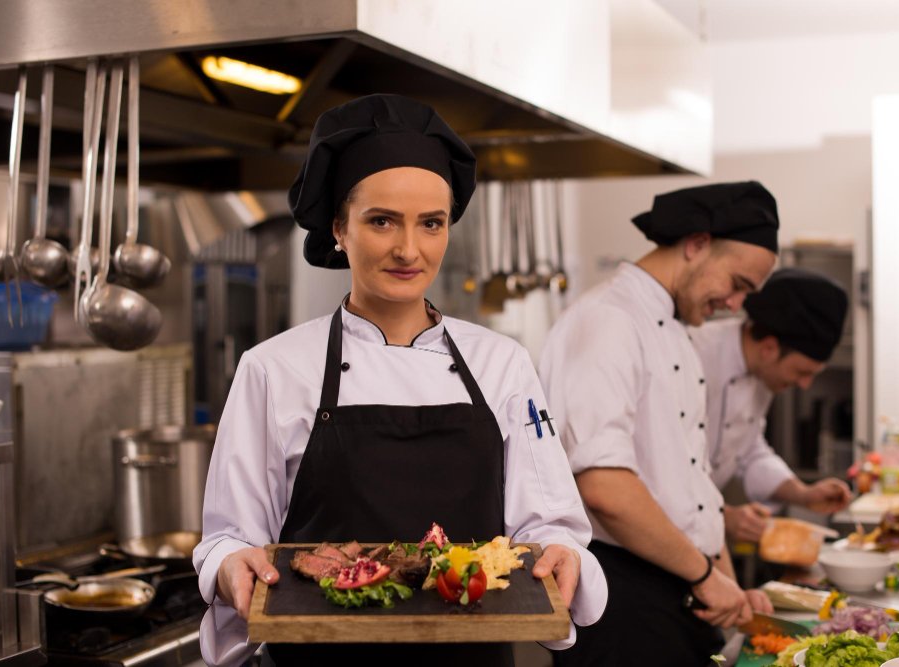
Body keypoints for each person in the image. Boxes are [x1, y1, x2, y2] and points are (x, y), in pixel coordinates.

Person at [192, 94, 606, 666]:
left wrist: (563, 555)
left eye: (431, 223)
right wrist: (230, 566)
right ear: (339, 228)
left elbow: (550, 524)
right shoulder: (272, 367)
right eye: (381, 221)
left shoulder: (502, 364)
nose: (409, 249)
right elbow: (229, 536)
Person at [539, 182, 780, 666]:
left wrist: (725, 580)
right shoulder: (609, 321)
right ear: (696, 244)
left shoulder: (673, 327)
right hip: (623, 595)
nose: (736, 305)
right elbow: (603, 485)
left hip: (677, 585)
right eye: (737, 284)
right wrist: (705, 576)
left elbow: (689, 480)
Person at [689, 267, 853, 544]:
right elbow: (662, 468)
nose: (805, 385)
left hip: (696, 530)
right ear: (769, 348)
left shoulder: (761, 375)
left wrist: (803, 494)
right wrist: (722, 516)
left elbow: (750, 451)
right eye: (802, 372)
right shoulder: (695, 356)